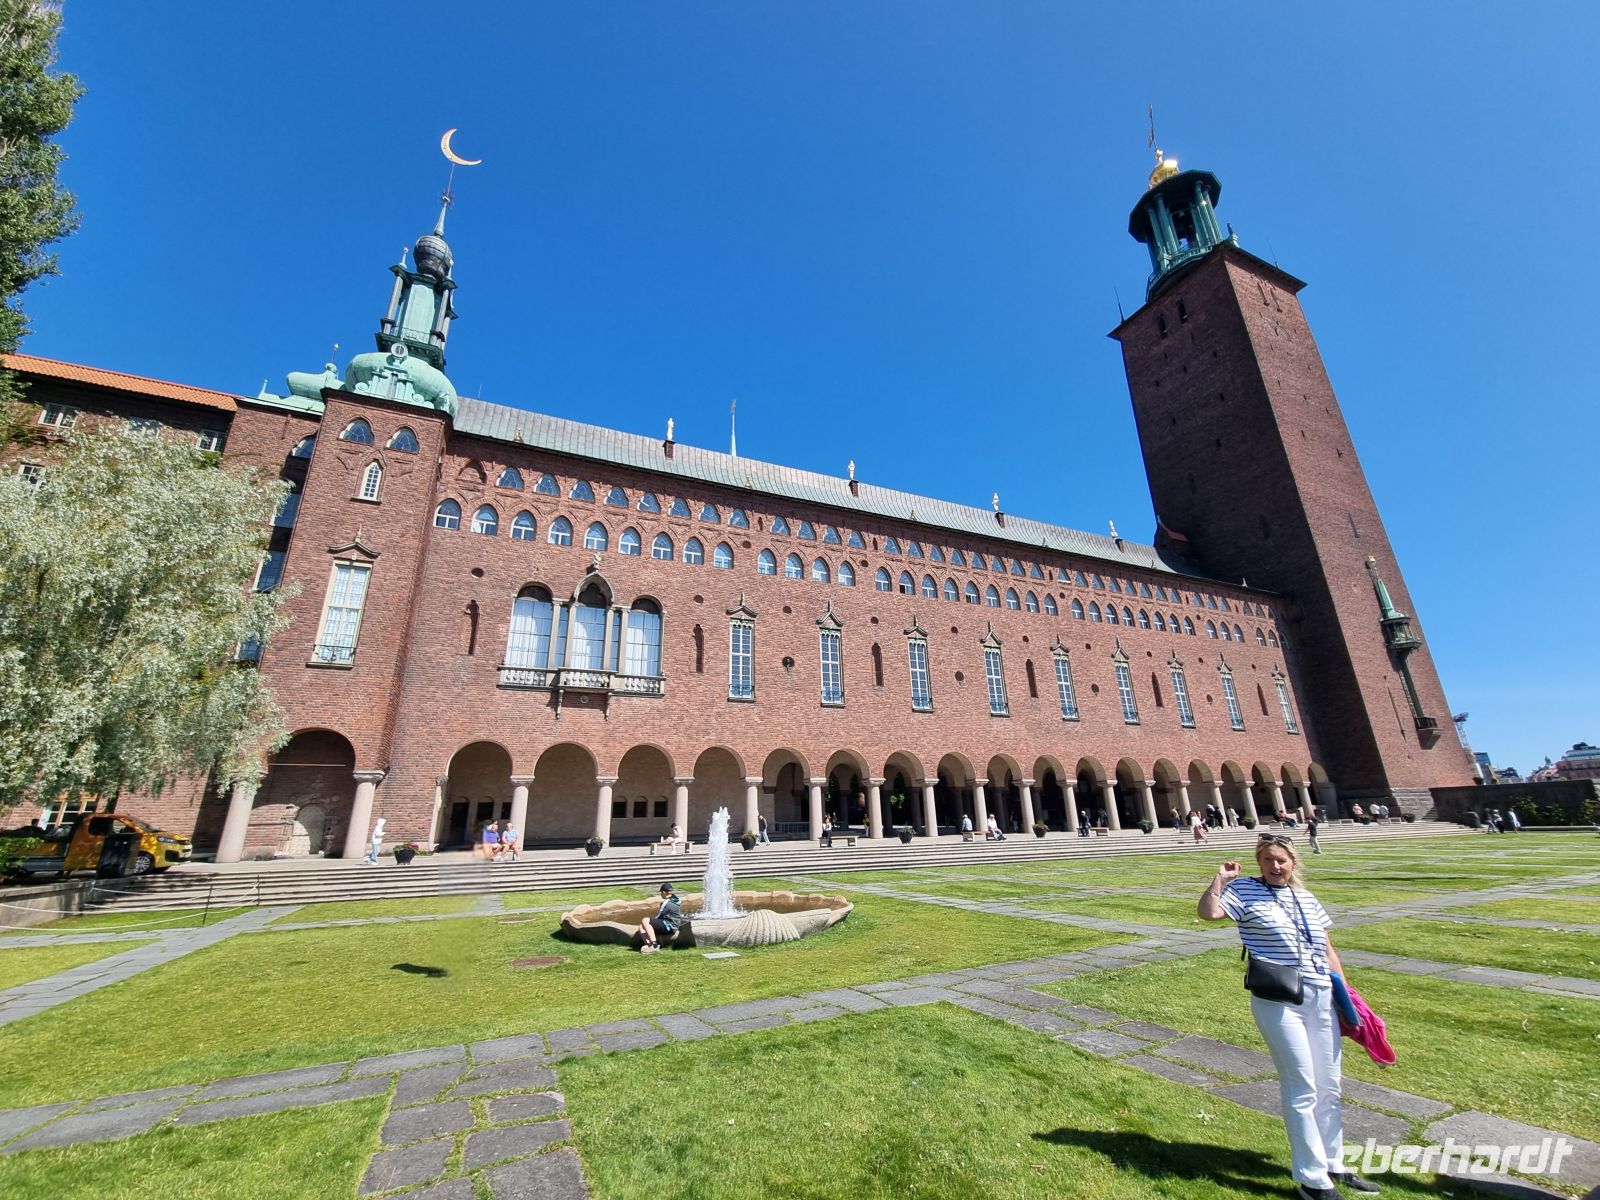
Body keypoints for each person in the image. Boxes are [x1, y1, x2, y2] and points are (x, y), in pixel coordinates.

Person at [1198, 836, 1378, 1200]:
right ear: (1259, 863)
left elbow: (1327, 949)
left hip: (1321, 996)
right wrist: (1220, 880)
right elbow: (1209, 913)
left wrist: (1346, 997)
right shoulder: (1245, 891)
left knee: (1330, 1085)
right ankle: (1313, 1181)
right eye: (1267, 860)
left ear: (1293, 863)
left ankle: (1334, 1163)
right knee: (1302, 1086)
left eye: (1281, 860)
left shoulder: (1308, 899)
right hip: (1278, 999)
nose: (1275, 866)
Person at [637, 882, 683, 953]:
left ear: (664, 892)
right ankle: (650, 945)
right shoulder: (677, 899)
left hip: (669, 926)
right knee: (641, 927)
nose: (661, 894)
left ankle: (654, 945)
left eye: (661, 892)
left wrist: (651, 922)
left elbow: (659, 916)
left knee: (645, 920)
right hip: (674, 925)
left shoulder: (666, 903)